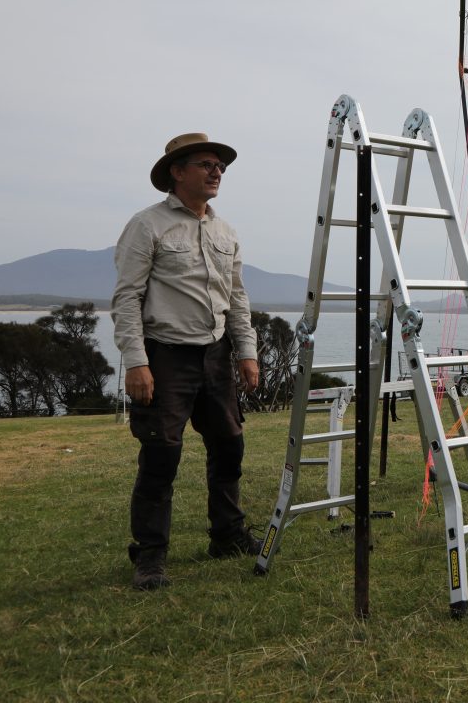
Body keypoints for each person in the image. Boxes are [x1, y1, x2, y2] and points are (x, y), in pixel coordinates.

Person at [112, 132, 263, 591]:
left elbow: (236, 297)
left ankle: (228, 534)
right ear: (177, 172)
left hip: (216, 356)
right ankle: (151, 556)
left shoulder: (225, 231)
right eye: (205, 164)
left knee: (229, 447)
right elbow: (127, 297)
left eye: (219, 166)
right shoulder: (148, 225)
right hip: (165, 357)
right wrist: (137, 362)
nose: (216, 172)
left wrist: (247, 352)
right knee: (161, 455)